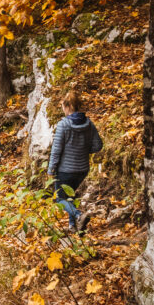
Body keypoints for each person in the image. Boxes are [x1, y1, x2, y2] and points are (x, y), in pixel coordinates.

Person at [48, 90, 103, 233]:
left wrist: (51, 170)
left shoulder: (63, 125)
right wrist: (83, 150)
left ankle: (79, 216)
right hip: (82, 169)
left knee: (60, 199)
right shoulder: (89, 124)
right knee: (70, 196)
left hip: (65, 170)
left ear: (67, 106)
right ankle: (73, 227)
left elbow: (56, 150)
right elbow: (98, 146)